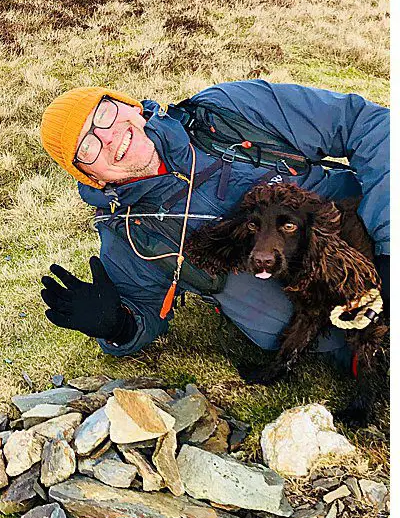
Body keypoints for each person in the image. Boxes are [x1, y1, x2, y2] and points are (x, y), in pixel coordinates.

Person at [39, 81, 389, 364]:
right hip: (334, 338)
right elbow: (141, 318)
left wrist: (389, 248)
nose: (109, 137)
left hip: (374, 240)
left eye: (104, 113)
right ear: (91, 177)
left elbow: (366, 123)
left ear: (131, 106)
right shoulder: (129, 235)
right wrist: (115, 325)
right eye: (87, 148)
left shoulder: (225, 113)